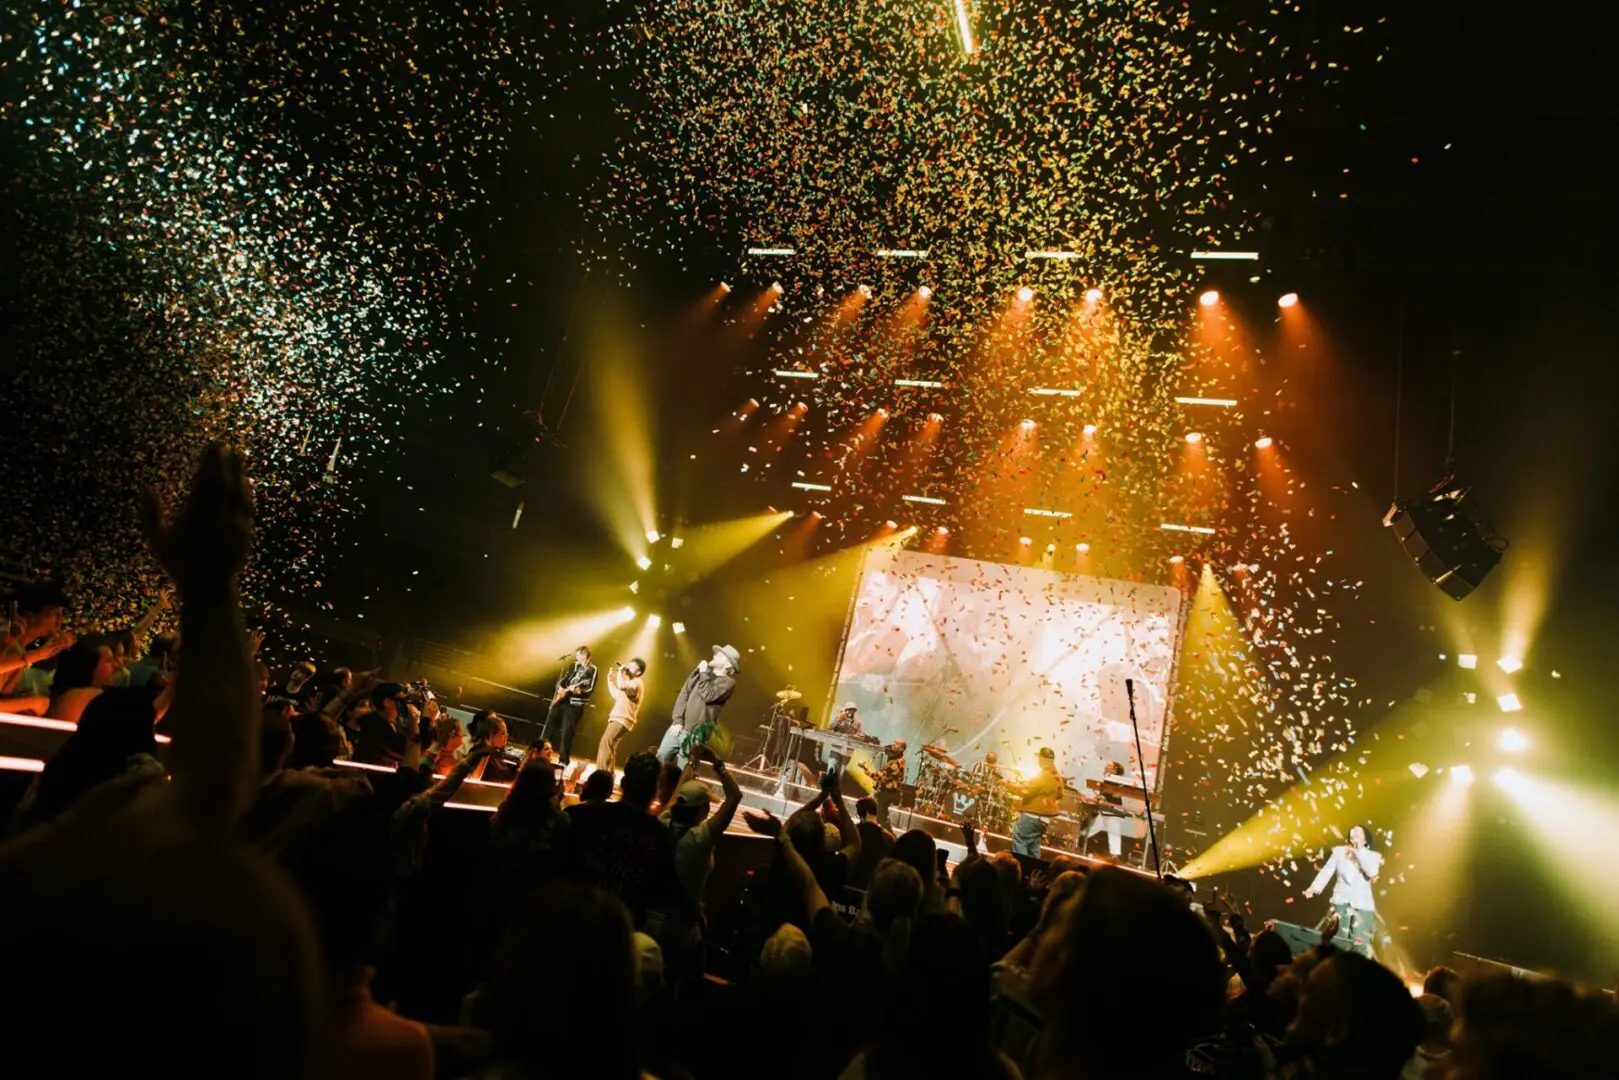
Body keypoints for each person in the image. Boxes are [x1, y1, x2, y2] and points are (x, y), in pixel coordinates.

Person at [560, 749, 681, 935]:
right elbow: (664, 893)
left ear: (623, 783)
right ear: (655, 791)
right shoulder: (660, 837)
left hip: (572, 923)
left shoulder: (582, 816)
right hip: (619, 936)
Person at [1303, 824, 1383, 955]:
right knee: (1338, 938)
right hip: (1341, 900)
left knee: (1360, 941)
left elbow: (1371, 872)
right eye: (1353, 831)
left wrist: (1358, 852)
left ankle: (1358, 970)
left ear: (1366, 839)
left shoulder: (1373, 856)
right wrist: (1313, 888)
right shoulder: (1339, 852)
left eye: (1360, 832)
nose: (1356, 833)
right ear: (1349, 837)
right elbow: (1327, 871)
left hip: (1363, 905)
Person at [657, 644, 739, 765]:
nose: (714, 655)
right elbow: (683, 694)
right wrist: (677, 720)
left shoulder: (729, 683)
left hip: (695, 735)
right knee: (659, 761)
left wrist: (703, 672)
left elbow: (708, 695)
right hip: (677, 728)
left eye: (720, 655)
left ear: (727, 665)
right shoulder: (701, 673)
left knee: (683, 771)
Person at [541, 645, 598, 766]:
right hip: (562, 700)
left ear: (584, 655)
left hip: (575, 704)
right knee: (549, 726)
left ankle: (563, 760)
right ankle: (539, 752)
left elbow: (590, 687)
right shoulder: (574, 665)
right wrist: (561, 688)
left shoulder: (592, 669)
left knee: (567, 732)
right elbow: (565, 678)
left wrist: (578, 690)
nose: (576, 657)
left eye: (578, 655)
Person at [596, 657, 646, 772]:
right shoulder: (630, 683)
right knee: (610, 747)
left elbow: (621, 686)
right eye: (629, 665)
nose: (628, 668)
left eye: (632, 667)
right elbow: (617, 694)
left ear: (638, 672)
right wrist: (609, 680)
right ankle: (608, 774)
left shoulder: (637, 683)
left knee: (605, 743)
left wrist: (620, 672)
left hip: (622, 719)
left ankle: (600, 774)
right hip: (620, 718)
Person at [1011, 747, 1063, 858]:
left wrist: (1007, 785)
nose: (1038, 761)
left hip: (1032, 817)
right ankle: (1035, 872)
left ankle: (1022, 869)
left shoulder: (1043, 775)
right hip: (1044, 820)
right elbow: (1059, 795)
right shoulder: (1057, 777)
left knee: (1020, 839)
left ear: (1042, 759)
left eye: (1039, 758)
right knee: (1033, 846)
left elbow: (1024, 791)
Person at [849, 795, 894, 889]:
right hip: (874, 889)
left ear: (862, 814)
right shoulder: (888, 838)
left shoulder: (852, 833)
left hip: (850, 885)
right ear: (876, 813)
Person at [872, 739, 908, 829]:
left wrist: (869, 772)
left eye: (896, 744)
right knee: (880, 815)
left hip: (889, 792)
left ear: (902, 749)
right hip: (884, 790)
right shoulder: (893, 759)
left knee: (881, 817)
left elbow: (885, 773)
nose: (893, 744)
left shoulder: (899, 762)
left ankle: (889, 837)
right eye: (894, 742)